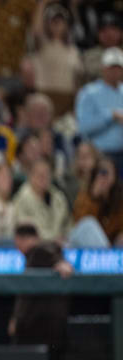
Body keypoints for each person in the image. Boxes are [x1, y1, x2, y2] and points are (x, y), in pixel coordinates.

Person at [8, 224, 73, 360]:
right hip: (51, 327)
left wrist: (60, 263)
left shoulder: (38, 250)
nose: (17, 247)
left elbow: (50, 254)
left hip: (41, 327)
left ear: (21, 239)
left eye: (17, 242)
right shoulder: (39, 251)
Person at [76, 46, 123, 178]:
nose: (115, 71)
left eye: (118, 67)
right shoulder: (88, 93)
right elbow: (83, 127)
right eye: (111, 67)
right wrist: (111, 116)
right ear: (103, 68)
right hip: (99, 155)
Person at [13, 158, 71, 243]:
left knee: (87, 226)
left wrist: (65, 237)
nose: (43, 178)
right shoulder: (22, 199)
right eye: (39, 174)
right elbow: (27, 232)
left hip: (61, 243)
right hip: (38, 246)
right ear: (30, 176)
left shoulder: (58, 197)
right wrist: (53, 239)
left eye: (47, 174)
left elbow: (67, 224)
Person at [73, 157, 123, 246]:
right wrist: (94, 196)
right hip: (85, 244)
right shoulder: (85, 194)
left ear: (114, 175)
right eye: (100, 172)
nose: (103, 177)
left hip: (111, 244)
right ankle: (107, 255)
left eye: (106, 172)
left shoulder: (119, 197)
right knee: (89, 223)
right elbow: (80, 223)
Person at [83, 12, 123, 83]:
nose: (109, 34)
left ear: (120, 32)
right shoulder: (89, 55)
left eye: (113, 29)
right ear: (98, 34)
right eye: (104, 30)